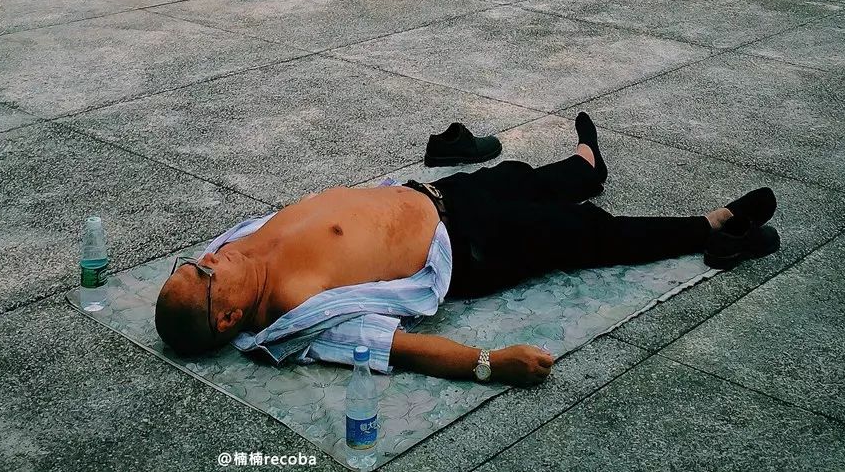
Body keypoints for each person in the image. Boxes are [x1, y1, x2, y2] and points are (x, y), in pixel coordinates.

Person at [155, 113, 778, 383]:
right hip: (469, 248)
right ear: (229, 317)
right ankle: (711, 229)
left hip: (433, 194)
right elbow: (392, 350)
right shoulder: (295, 312)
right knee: (586, 234)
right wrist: (488, 362)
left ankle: (586, 164)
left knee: (522, 180)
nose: (208, 259)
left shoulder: (237, 252)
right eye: (205, 276)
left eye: (195, 262)